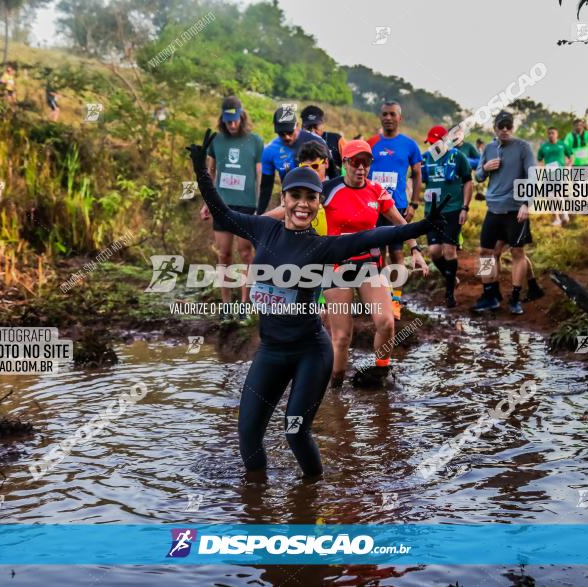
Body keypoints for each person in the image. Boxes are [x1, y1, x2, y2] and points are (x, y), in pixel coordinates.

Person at [186, 129, 447, 477]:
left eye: (311, 197)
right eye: (296, 196)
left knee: (295, 432)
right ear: (285, 197)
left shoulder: (322, 247)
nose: (303, 204)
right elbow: (221, 209)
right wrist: (202, 171)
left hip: (310, 352)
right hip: (271, 351)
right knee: (248, 435)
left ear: (319, 203)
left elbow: (374, 235)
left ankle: (312, 500)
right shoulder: (263, 230)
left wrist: (422, 227)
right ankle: (257, 506)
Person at [265, 140, 428, 387]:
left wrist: (415, 249)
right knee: (342, 337)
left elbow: (400, 223)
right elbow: (289, 208)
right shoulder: (327, 190)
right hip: (336, 268)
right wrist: (253, 223)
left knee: (386, 322)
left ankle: (379, 373)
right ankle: (336, 387)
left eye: (366, 162)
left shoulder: (377, 191)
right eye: (355, 162)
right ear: (345, 164)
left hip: (368, 265)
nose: (361, 168)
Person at [203, 96, 264, 307]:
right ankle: (226, 304)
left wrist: (259, 206)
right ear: (222, 118)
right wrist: (206, 203)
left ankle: (246, 304)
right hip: (222, 204)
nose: (232, 124)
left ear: (242, 116)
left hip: (246, 205)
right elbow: (210, 173)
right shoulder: (215, 141)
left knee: (246, 253)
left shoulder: (255, 141)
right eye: (228, 120)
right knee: (224, 254)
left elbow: (259, 176)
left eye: (235, 119)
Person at [474, 111, 536, 315]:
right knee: (485, 252)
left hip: (515, 209)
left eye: (508, 125)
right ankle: (489, 294)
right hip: (493, 209)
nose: (505, 130)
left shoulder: (523, 147)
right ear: (495, 128)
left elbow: (532, 176)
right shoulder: (489, 148)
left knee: (517, 252)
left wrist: (527, 204)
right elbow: (479, 176)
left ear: (513, 127)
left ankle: (515, 298)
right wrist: (485, 167)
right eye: (501, 126)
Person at [366, 101, 423, 319]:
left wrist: (414, 203)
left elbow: (417, 174)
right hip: (373, 208)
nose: (388, 118)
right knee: (377, 255)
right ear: (380, 117)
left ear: (400, 118)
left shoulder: (409, 145)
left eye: (392, 114)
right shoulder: (371, 143)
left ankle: (396, 301)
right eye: (384, 114)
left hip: (398, 206)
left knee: (397, 254)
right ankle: (381, 298)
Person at [422, 125, 473, 308]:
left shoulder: (458, 156)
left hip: (453, 210)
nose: (432, 146)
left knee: (449, 250)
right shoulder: (425, 158)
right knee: (434, 251)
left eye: (435, 142)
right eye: (430, 143)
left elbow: (468, 181)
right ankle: (452, 277)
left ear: (444, 140)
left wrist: (465, 208)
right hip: (432, 212)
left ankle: (449, 294)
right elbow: (417, 180)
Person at [258, 106, 328, 214]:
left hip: (319, 200)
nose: (287, 137)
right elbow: (266, 188)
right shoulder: (270, 151)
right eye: (282, 134)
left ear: (298, 126)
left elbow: (334, 174)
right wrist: (259, 214)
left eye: (290, 132)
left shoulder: (317, 141)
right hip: (292, 202)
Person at [538, 126, 574, 226]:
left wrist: (568, 166)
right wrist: (541, 168)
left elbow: (571, 156)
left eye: (553, 133)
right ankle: (557, 218)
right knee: (549, 197)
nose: (551, 135)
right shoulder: (544, 146)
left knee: (558, 195)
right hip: (548, 175)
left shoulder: (562, 145)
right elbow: (539, 159)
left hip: (560, 174)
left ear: (557, 134)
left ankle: (564, 213)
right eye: (549, 133)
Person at [300, 105, 345, 178]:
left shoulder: (336, 139)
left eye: (315, 126)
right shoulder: (296, 143)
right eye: (308, 127)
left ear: (322, 124)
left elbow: (350, 162)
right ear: (302, 127)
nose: (312, 131)